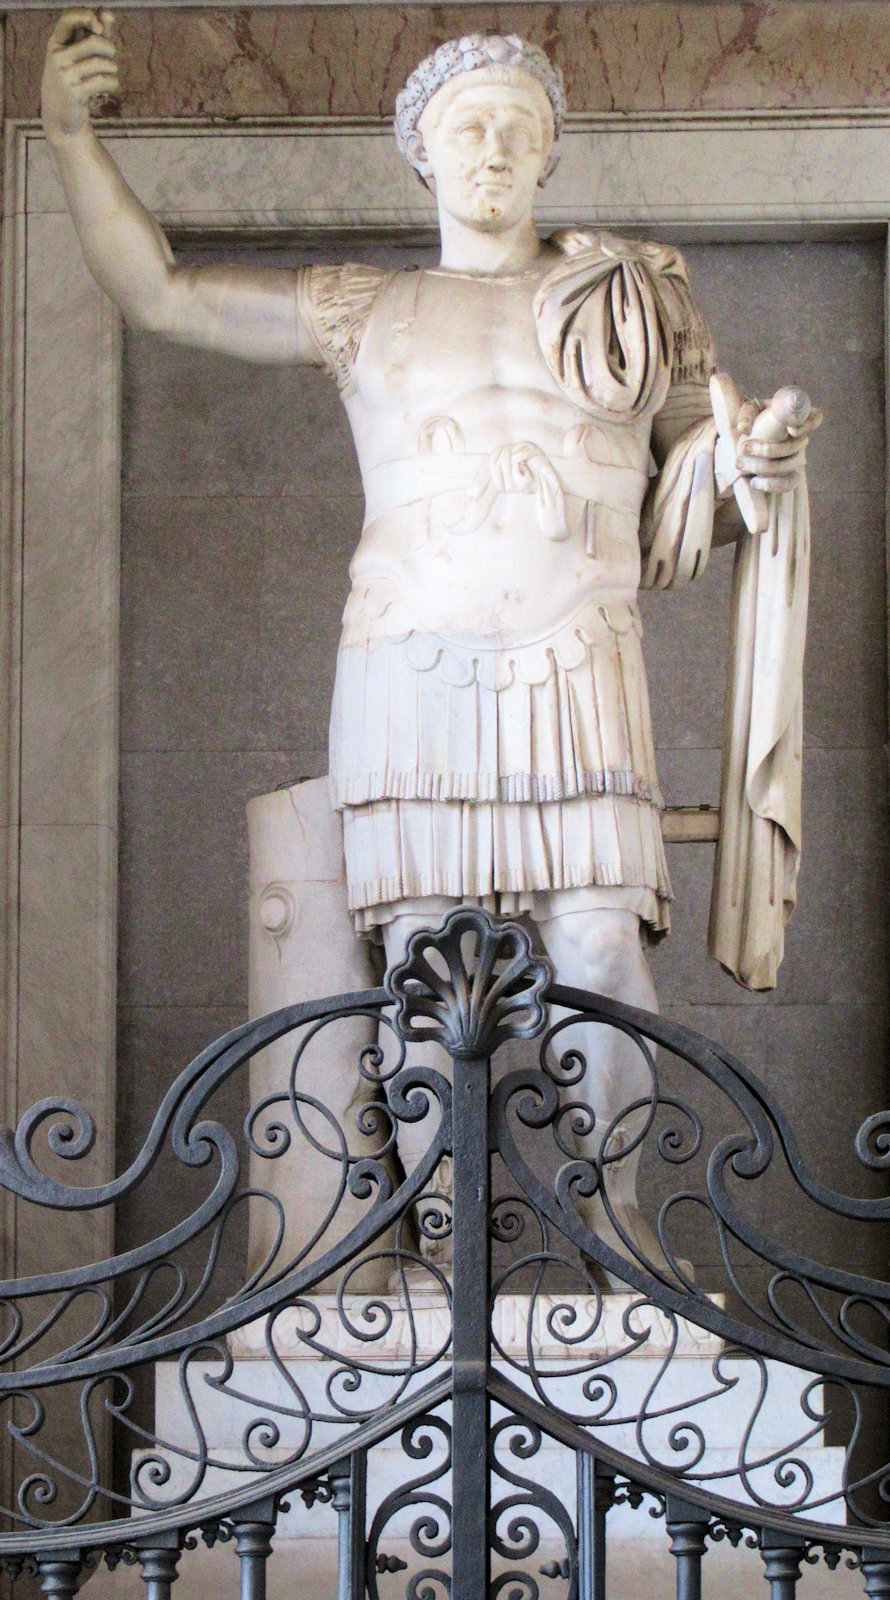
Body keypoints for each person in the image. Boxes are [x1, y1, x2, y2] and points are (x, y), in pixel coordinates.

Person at [40, 14, 816, 1274]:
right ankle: (446, 1252)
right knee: (421, 961)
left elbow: (698, 493)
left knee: (602, 945)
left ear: (550, 152)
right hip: (411, 669)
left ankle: (622, 1232)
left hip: (578, 658)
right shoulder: (364, 307)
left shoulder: (625, 301)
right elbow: (158, 291)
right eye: (468, 126)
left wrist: (754, 463)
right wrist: (69, 138)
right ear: (423, 156)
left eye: (519, 126)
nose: (494, 146)